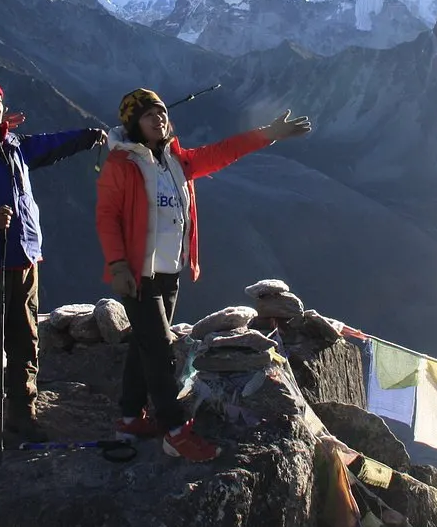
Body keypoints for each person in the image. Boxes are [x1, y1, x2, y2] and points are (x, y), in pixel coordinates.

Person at [96, 89, 312, 461]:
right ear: (133, 124)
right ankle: (175, 430)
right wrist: (117, 266)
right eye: (148, 115)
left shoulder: (177, 160)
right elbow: (107, 216)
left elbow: (222, 151)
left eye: (161, 112)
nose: (158, 119)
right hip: (138, 274)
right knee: (160, 349)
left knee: (143, 345)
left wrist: (268, 133)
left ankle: (130, 418)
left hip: (169, 272)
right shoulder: (122, 164)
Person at [0, 72, 106, 446]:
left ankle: (22, 415)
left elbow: (50, 145)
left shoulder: (12, 145)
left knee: (25, 341)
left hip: (26, 259)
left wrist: (88, 136)